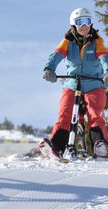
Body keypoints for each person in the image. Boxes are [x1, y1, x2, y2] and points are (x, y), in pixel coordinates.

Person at [41, 8, 108, 158]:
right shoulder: (68, 41)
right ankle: (56, 147)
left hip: (94, 83)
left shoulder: (97, 41)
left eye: (87, 22)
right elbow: (56, 55)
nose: (84, 26)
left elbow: (104, 58)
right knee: (65, 113)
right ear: (73, 25)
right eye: (80, 22)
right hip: (72, 83)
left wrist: (107, 73)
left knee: (95, 114)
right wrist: (49, 69)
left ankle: (100, 144)